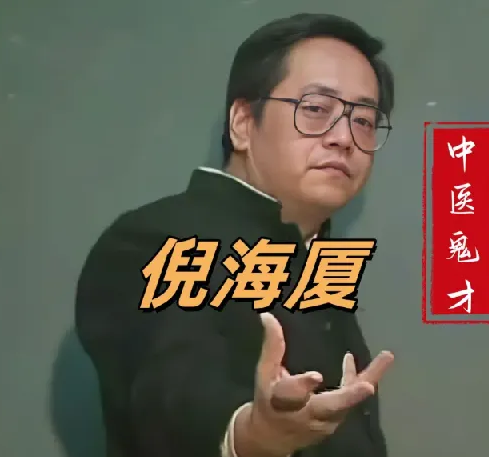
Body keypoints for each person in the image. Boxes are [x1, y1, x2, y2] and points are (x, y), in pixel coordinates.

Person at [75, 13, 395, 457]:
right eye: (317, 109)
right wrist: (253, 433)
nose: (344, 137)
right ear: (243, 123)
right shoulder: (155, 238)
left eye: (363, 120)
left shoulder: (319, 261)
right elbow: (173, 383)